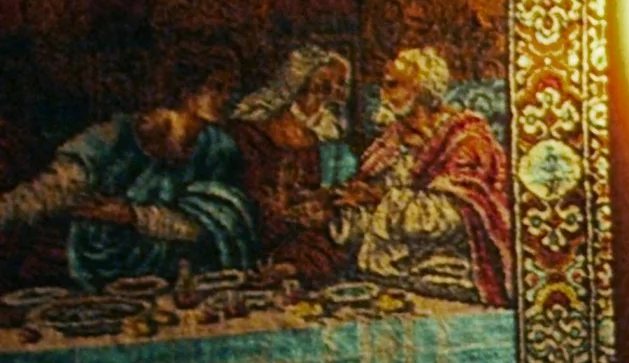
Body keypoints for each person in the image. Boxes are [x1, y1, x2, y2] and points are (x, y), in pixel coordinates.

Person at [0, 68, 254, 289]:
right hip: (106, 265)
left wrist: (133, 215)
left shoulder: (219, 149)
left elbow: (213, 225)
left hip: (183, 272)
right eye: (217, 88)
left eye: (232, 90)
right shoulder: (113, 137)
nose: (228, 98)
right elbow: (51, 191)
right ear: (187, 90)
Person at [332, 46, 514, 304]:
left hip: (451, 272)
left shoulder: (466, 141)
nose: (382, 94)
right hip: (392, 269)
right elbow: (373, 212)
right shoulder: (391, 141)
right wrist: (344, 207)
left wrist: (381, 199)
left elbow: (456, 218)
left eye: (392, 85)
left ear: (420, 90)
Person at [232, 45, 355, 282]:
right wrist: (284, 207)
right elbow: (250, 202)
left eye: (342, 86)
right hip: (257, 234)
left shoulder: (320, 143)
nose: (335, 97)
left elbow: (320, 198)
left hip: (301, 238)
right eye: (322, 88)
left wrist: (319, 206)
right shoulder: (253, 134)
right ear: (297, 88)